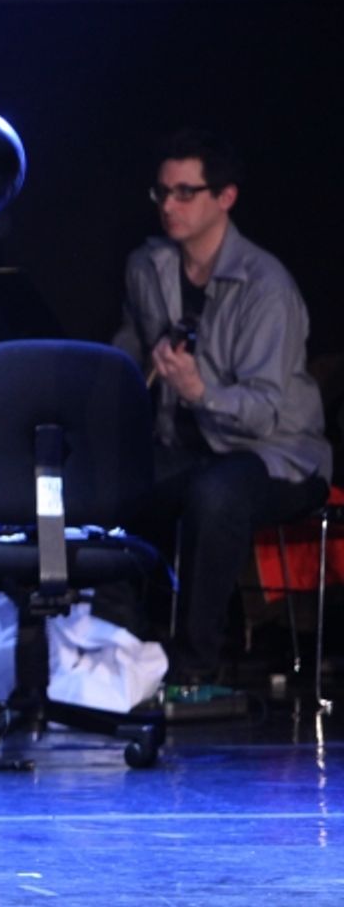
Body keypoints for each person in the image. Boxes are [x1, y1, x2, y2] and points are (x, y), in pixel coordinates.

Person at [112, 127, 332, 686]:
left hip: (276, 454)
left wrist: (198, 391)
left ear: (224, 197)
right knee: (107, 480)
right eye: (162, 192)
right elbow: (129, 352)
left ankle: (194, 665)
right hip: (187, 447)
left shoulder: (266, 287)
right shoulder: (149, 267)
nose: (170, 206)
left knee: (217, 494)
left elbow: (263, 414)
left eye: (186, 193)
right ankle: (116, 646)